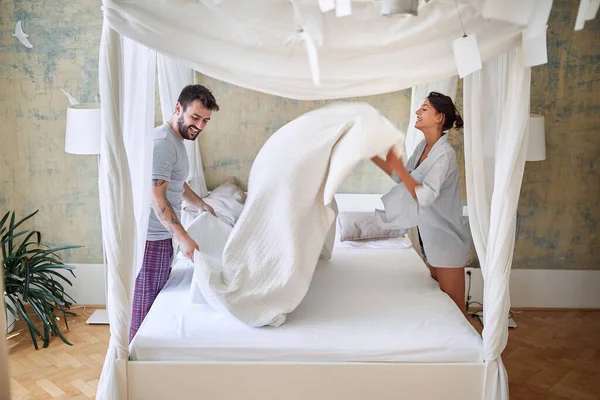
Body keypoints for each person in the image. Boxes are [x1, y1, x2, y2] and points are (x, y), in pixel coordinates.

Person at [129, 85, 220, 342]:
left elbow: (177, 183)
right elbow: (156, 196)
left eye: (205, 120)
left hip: (160, 237)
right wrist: (182, 237)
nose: (200, 125)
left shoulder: (175, 141)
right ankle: (132, 364)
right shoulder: (163, 144)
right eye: (195, 117)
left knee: (153, 306)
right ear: (178, 108)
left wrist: (200, 204)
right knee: (145, 309)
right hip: (151, 240)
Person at [372, 91, 470, 316]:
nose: (418, 111)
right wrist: (370, 155)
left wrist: (397, 165)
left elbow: (425, 196)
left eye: (424, 108)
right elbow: (401, 177)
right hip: (429, 237)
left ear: (439, 117)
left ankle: (471, 350)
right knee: (442, 306)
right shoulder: (422, 148)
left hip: (447, 241)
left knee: (456, 310)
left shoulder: (444, 155)